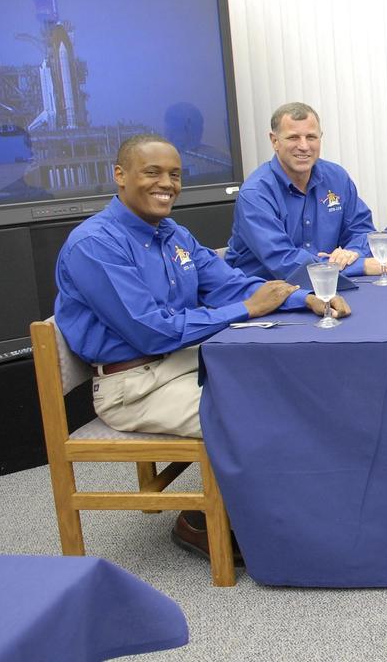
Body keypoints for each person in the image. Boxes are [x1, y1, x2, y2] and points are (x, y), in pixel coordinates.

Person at [55, 135, 349, 556]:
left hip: (180, 361)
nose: (167, 184)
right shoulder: (95, 245)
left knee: (288, 384)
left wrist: (302, 298)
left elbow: (229, 284)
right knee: (254, 413)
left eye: (174, 174)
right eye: (152, 172)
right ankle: (202, 524)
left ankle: (292, 512)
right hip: (133, 387)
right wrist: (245, 309)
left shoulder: (172, 233)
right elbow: (150, 331)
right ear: (120, 176)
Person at [225, 102, 387, 280]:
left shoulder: (336, 177)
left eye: (311, 137)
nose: (304, 146)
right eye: (293, 137)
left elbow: (361, 230)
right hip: (264, 294)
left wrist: (351, 254)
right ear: (274, 141)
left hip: (328, 285)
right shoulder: (255, 193)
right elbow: (283, 261)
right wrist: (358, 266)